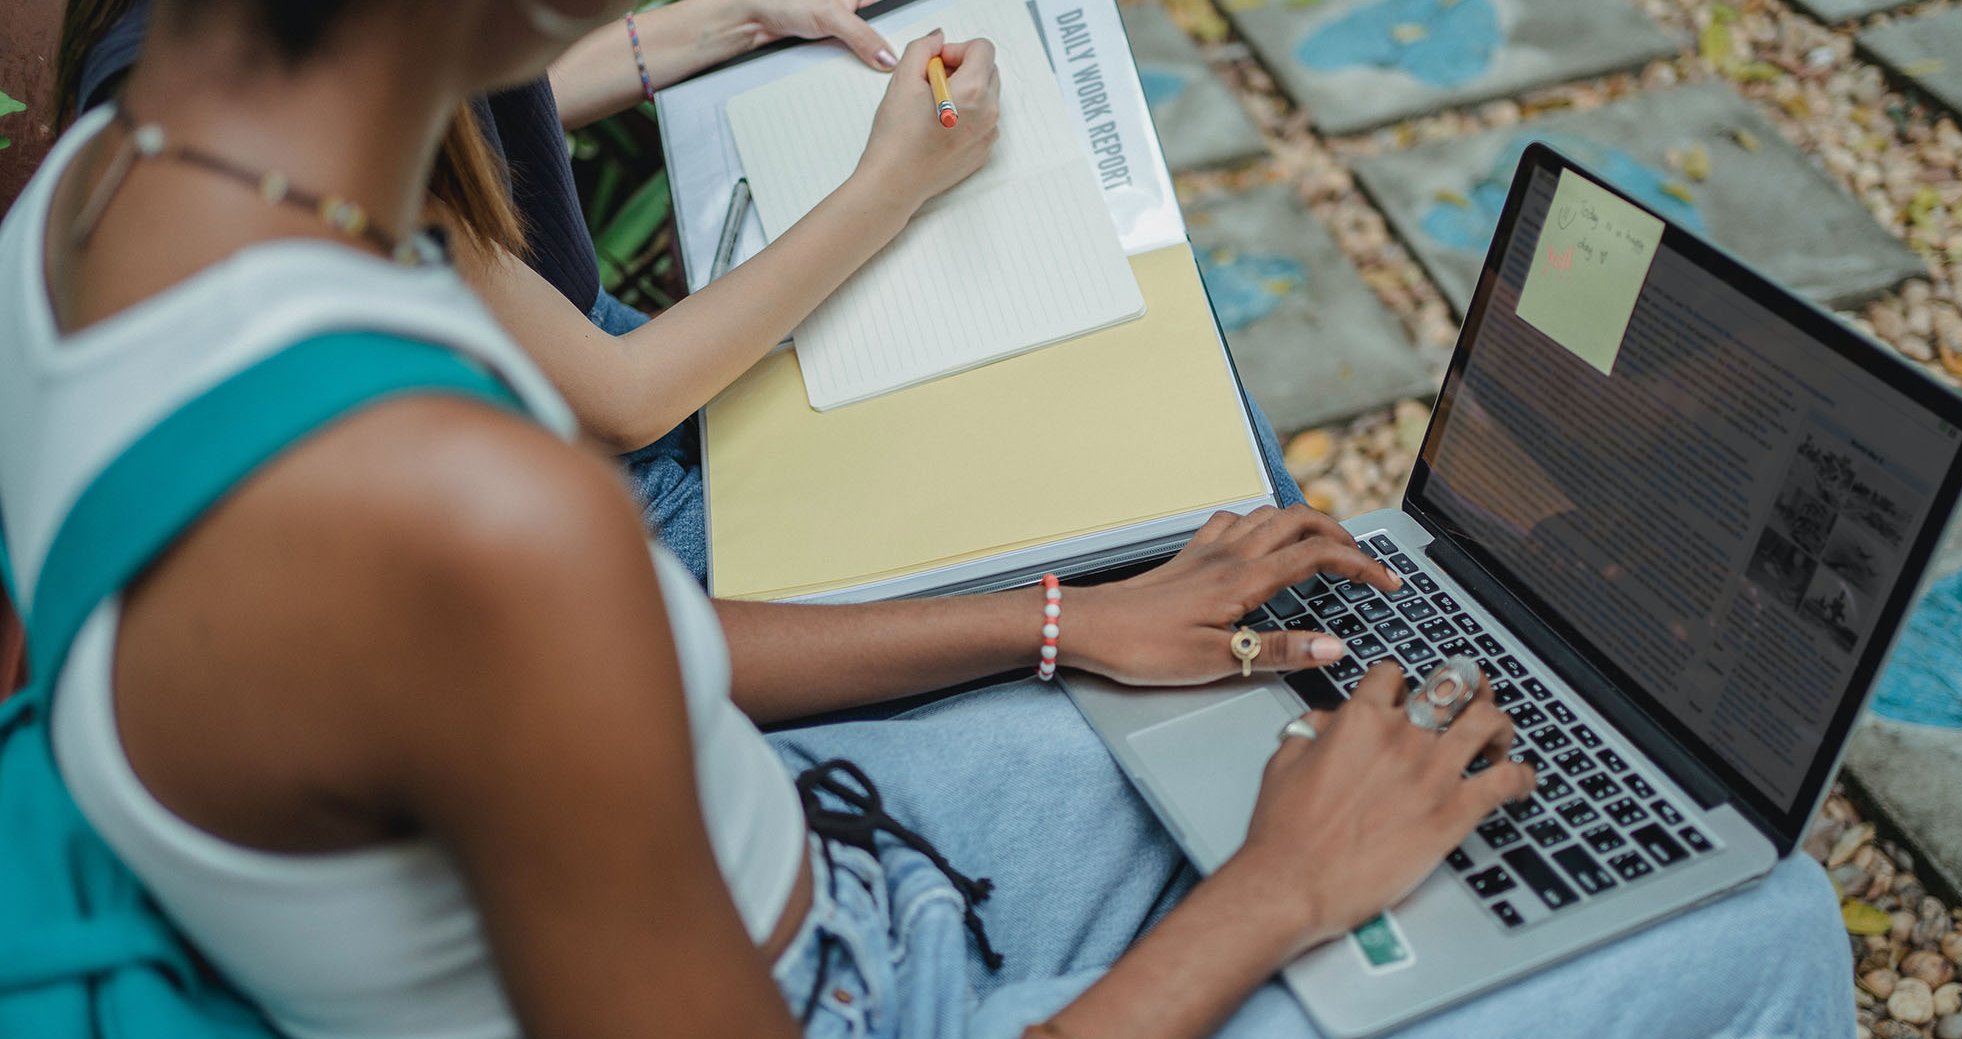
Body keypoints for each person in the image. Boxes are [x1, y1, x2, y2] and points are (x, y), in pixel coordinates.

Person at [2, 2, 1853, 1038]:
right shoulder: (475, 521)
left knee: (1294, 677)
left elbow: (614, 656)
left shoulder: (106, 188)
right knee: (1768, 915)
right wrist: (1276, 895)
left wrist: (1061, 616)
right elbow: (537, 613)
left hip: (831, 856)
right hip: (853, 994)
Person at [56, 0, 1307, 583]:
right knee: (1163, 425)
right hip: (609, 484)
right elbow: (623, 399)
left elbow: (478, 98)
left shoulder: (284, 43)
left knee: (1156, 348)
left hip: (575, 414)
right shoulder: (276, 166)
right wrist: (891, 182)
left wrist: (711, 31)